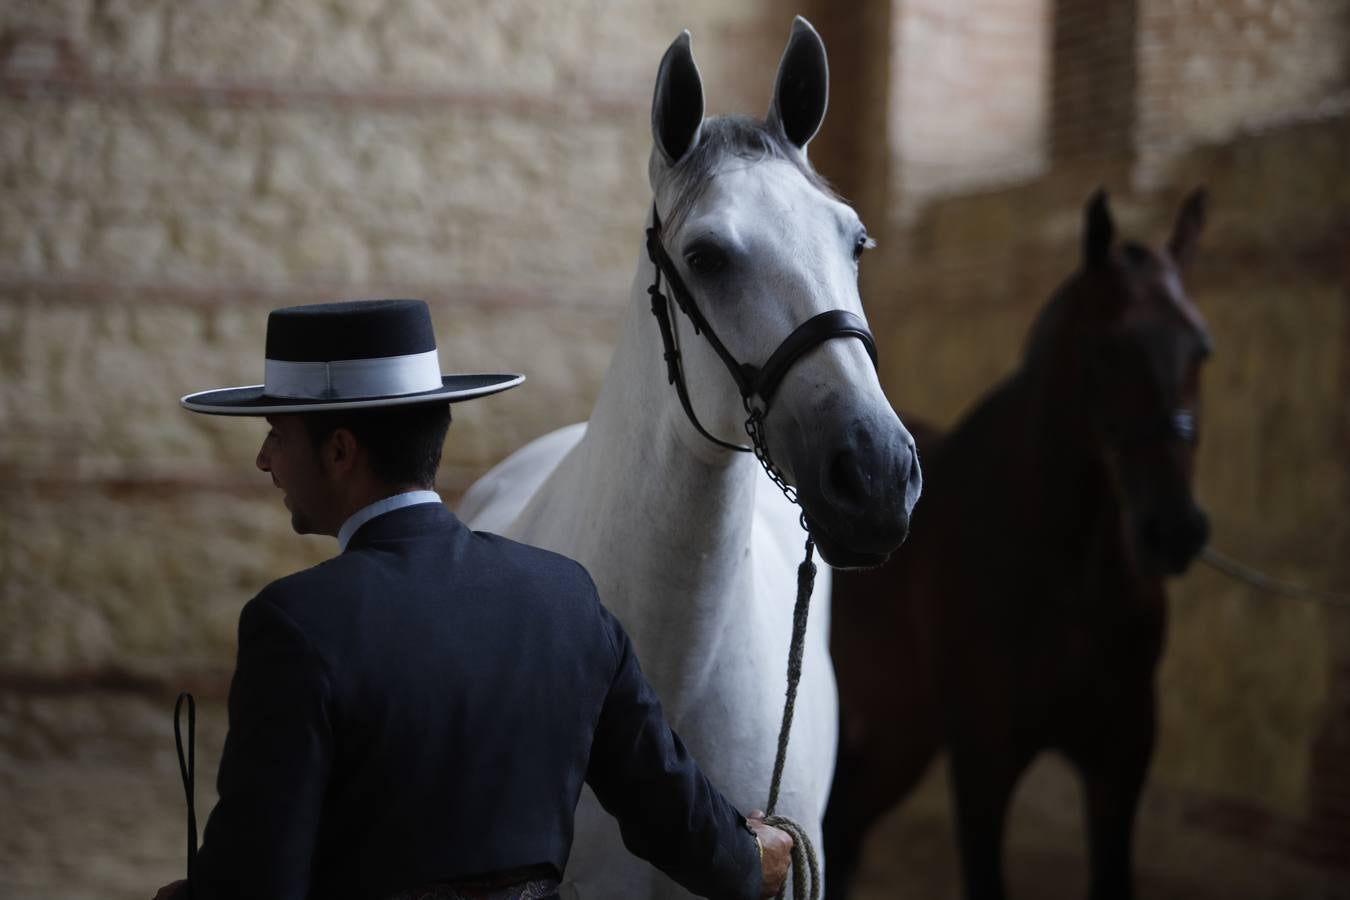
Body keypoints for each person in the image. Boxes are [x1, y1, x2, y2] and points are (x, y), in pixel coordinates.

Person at [154, 299, 793, 900]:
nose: (265, 459)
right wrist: (752, 857)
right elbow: (666, 803)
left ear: (341, 450)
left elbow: (256, 880)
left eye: (277, 433)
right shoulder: (564, 595)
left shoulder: (295, 622)